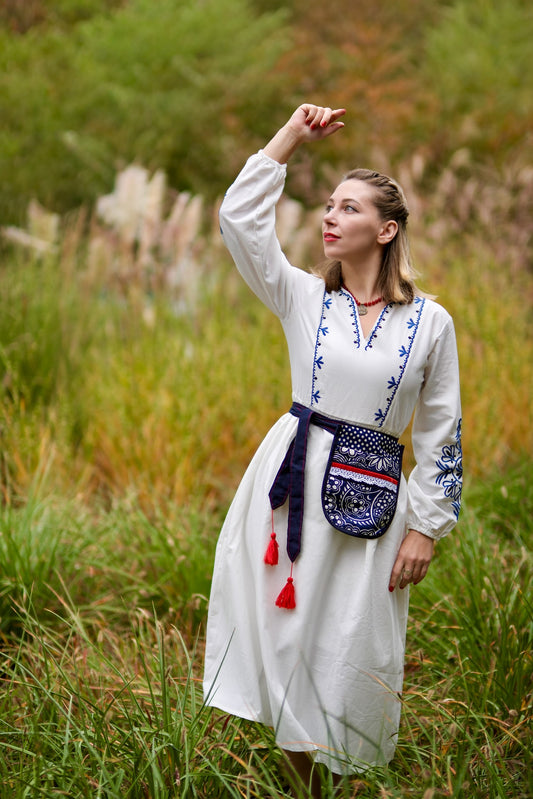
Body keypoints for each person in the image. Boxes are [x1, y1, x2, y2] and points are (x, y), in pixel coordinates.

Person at [203, 104, 463, 796]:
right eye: (326, 205)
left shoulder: (430, 322)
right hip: (290, 485)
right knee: (288, 637)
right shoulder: (299, 297)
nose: (328, 217)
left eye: (346, 208)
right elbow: (238, 219)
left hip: (376, 497)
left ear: (384, 229)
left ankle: (341, 783)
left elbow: (441, 429)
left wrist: (427, 527)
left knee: (350, 642)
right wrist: (289, 136)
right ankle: (301, 789)